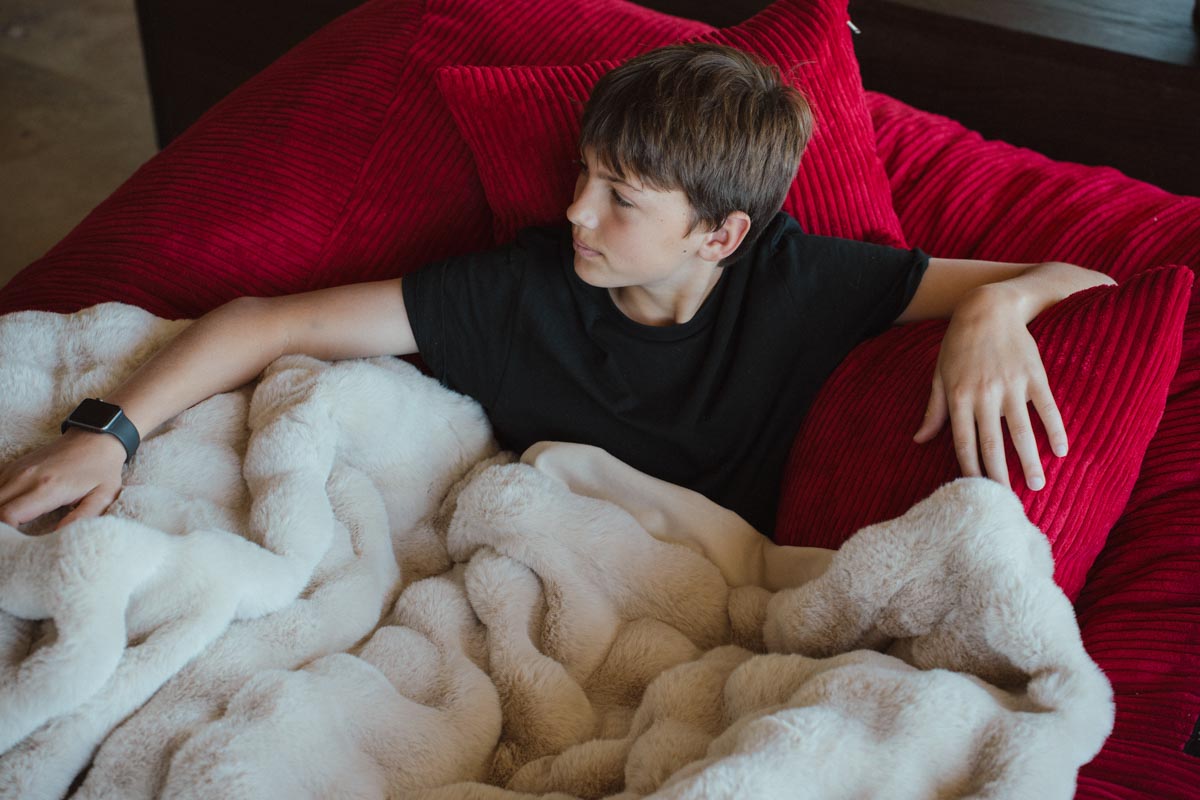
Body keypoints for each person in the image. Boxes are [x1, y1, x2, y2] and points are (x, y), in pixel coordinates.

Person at [0, 43, 1113, 535]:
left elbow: (1089, 279)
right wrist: (111, 431)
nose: (577, 211)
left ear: (721, 233)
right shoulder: (523, 288)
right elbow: (270, 321)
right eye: (585, 175)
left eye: (621, 196)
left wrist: (993, 309)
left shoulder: (805, 279)